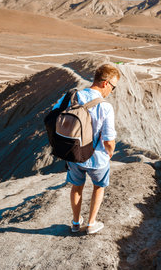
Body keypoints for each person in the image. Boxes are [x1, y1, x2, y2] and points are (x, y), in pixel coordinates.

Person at [52, 64, 120, 234]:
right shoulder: (105, 107)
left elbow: (54, 113)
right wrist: (110, 152)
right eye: (113, 87)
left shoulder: (72, 96)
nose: (112, 91)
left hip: (73, 154)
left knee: (76, 188)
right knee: (99, 187)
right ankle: (91, 223)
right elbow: (108, 138)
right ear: (105, 83)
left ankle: (75, 223)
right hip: (97, 158)